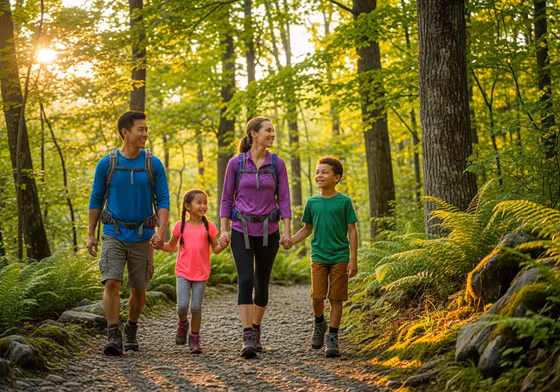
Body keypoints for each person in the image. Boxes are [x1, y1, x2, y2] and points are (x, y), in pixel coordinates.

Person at [87, 111, 170, 356]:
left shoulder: (152, 164)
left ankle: (131, 327)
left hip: (143, 235)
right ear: (125, 132)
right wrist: (91, 233)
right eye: (140, 129)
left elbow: (163, 199)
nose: (145, 134)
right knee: (111, 281)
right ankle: (113, 333)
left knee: (139, 289)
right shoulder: (107, 164)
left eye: (146, 129)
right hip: (113, 232)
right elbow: (96, 199)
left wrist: (162, 231)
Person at [219, 117, 291, 359]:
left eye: (273, 130)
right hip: (241, 230)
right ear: (253, 133)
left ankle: (257, 328)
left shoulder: (277, 163)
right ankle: (247, 334)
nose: (272, 134)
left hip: (269, 231)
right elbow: (227, 199)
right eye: (268, 130)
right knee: (245, 279)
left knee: (262, 281)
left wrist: (288, 230)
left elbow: (285, 199)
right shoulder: (236, 163)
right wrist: (223, 229)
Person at [284, 156, 358, 358]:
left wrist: (353, 259)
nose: (319, 175)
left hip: (340, 256)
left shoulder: (344, 202)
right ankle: (319, 323)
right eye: (318, 172)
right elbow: (307, 228)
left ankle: (333, 337)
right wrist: (292, 241)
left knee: (336, 298)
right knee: (317, 296)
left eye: (324, 172)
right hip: (318, 255)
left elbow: (351, 230)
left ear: (336, 177)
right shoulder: (312, 202)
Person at [158, 189, 227, 354]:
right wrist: (158, 244)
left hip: (201, 274)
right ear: (187, 206)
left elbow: (215, 249)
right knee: (182, 306)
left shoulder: (209, 227)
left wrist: (223, 244)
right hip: (183, 272)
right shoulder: (180, 226)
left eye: (205, 203)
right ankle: (183, 324)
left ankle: (194, 337)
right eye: (199, 203)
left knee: (196, 308)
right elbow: (169, 247)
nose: (203, 206)